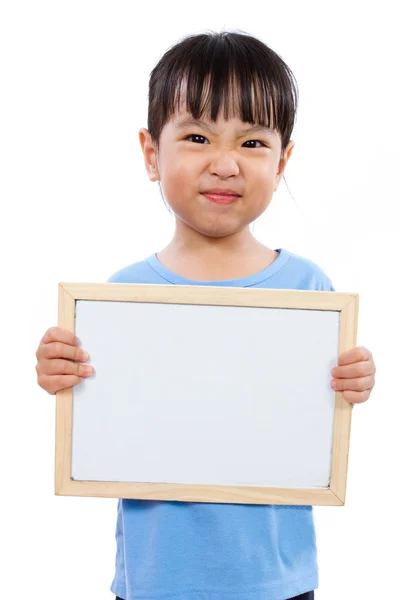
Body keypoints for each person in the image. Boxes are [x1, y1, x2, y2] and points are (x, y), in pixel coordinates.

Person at [35, 31, 376, 600]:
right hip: (154, 581)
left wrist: (353, 383)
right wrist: (59, 372)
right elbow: (100, 416)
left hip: (276, 580)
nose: (225, 164)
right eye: (197, 137)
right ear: (152, 154)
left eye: (252, 143)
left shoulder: (309, 290)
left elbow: (314, 420)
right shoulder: (121, 298)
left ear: (284, 159)